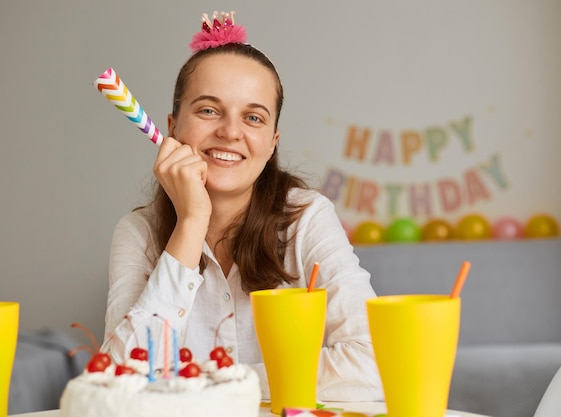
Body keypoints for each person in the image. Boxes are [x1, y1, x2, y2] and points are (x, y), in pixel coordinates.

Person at [101, 10, 382, 401]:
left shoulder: (308, 219)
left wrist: (222, 382)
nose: (230, 132)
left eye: (253, 117)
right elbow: (119, 378)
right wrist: (191, 221)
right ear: (173, 128)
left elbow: (375, 362)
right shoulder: (138, 233)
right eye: (208, 110)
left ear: (271, 143)